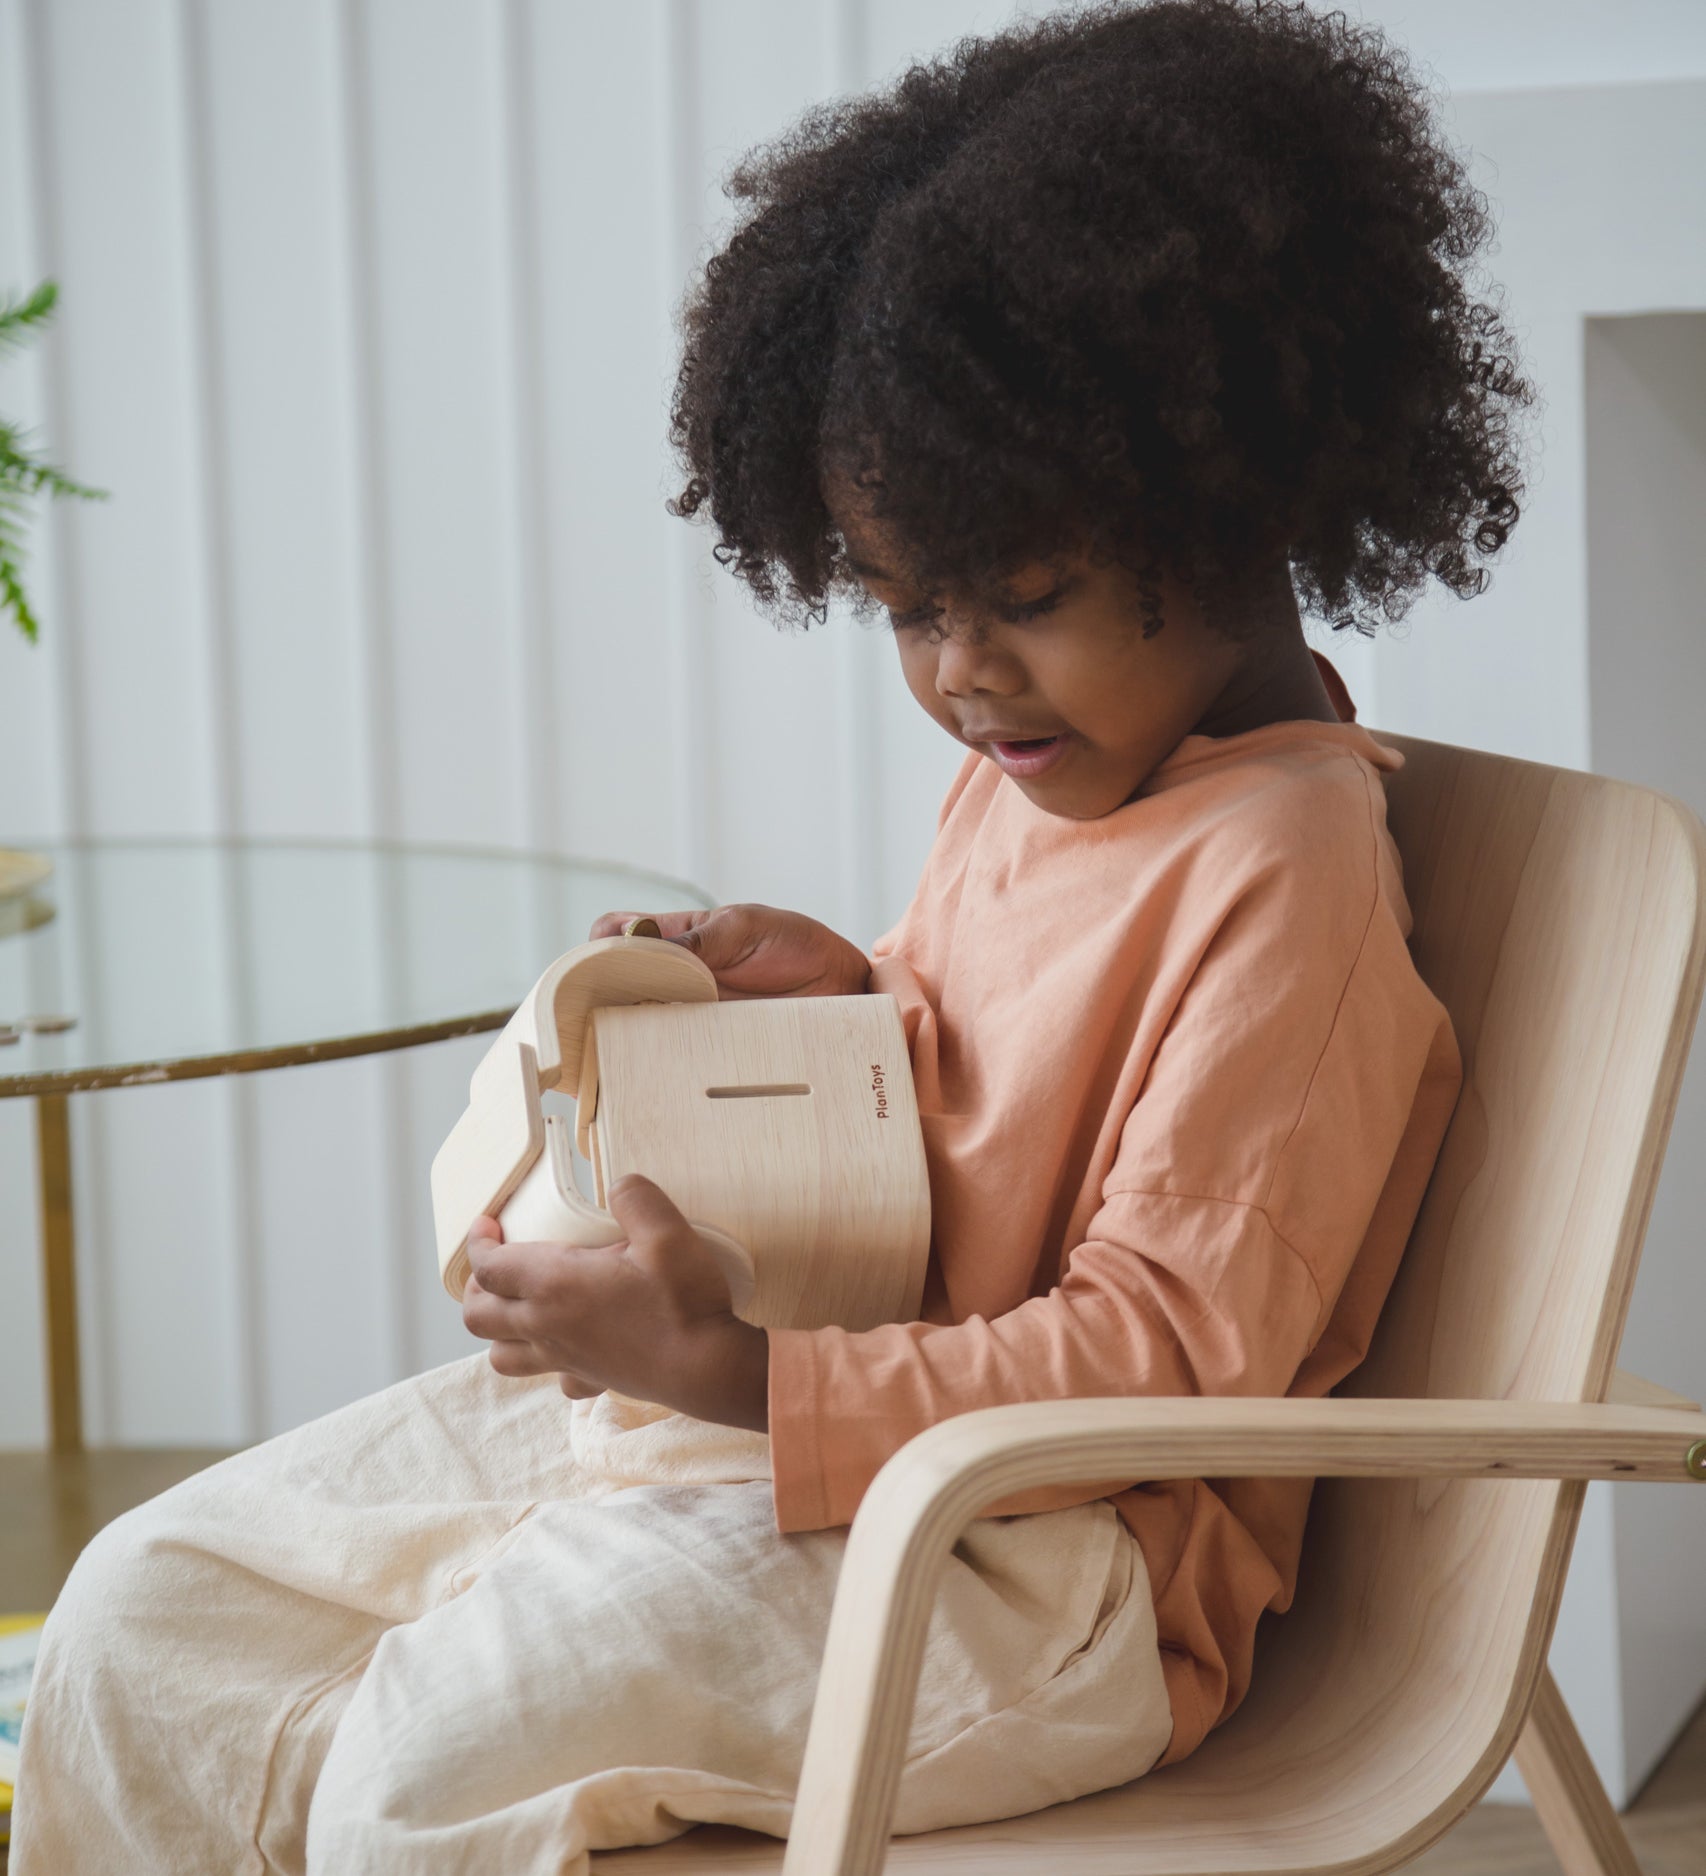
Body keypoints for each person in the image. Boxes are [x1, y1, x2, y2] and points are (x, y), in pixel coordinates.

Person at [11, 1, 1531, 1869]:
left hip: (1043, 1564)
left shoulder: (1284, 869)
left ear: (1226, 493)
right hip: (813, 1444)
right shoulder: (1056, 760)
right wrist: (856, 994)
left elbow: (1161, 1360)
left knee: (426, 1762)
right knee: (153, 1616)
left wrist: (738, 1372)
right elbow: (986, 1121)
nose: (961, 674)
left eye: (1024, 596)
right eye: (905, 609)